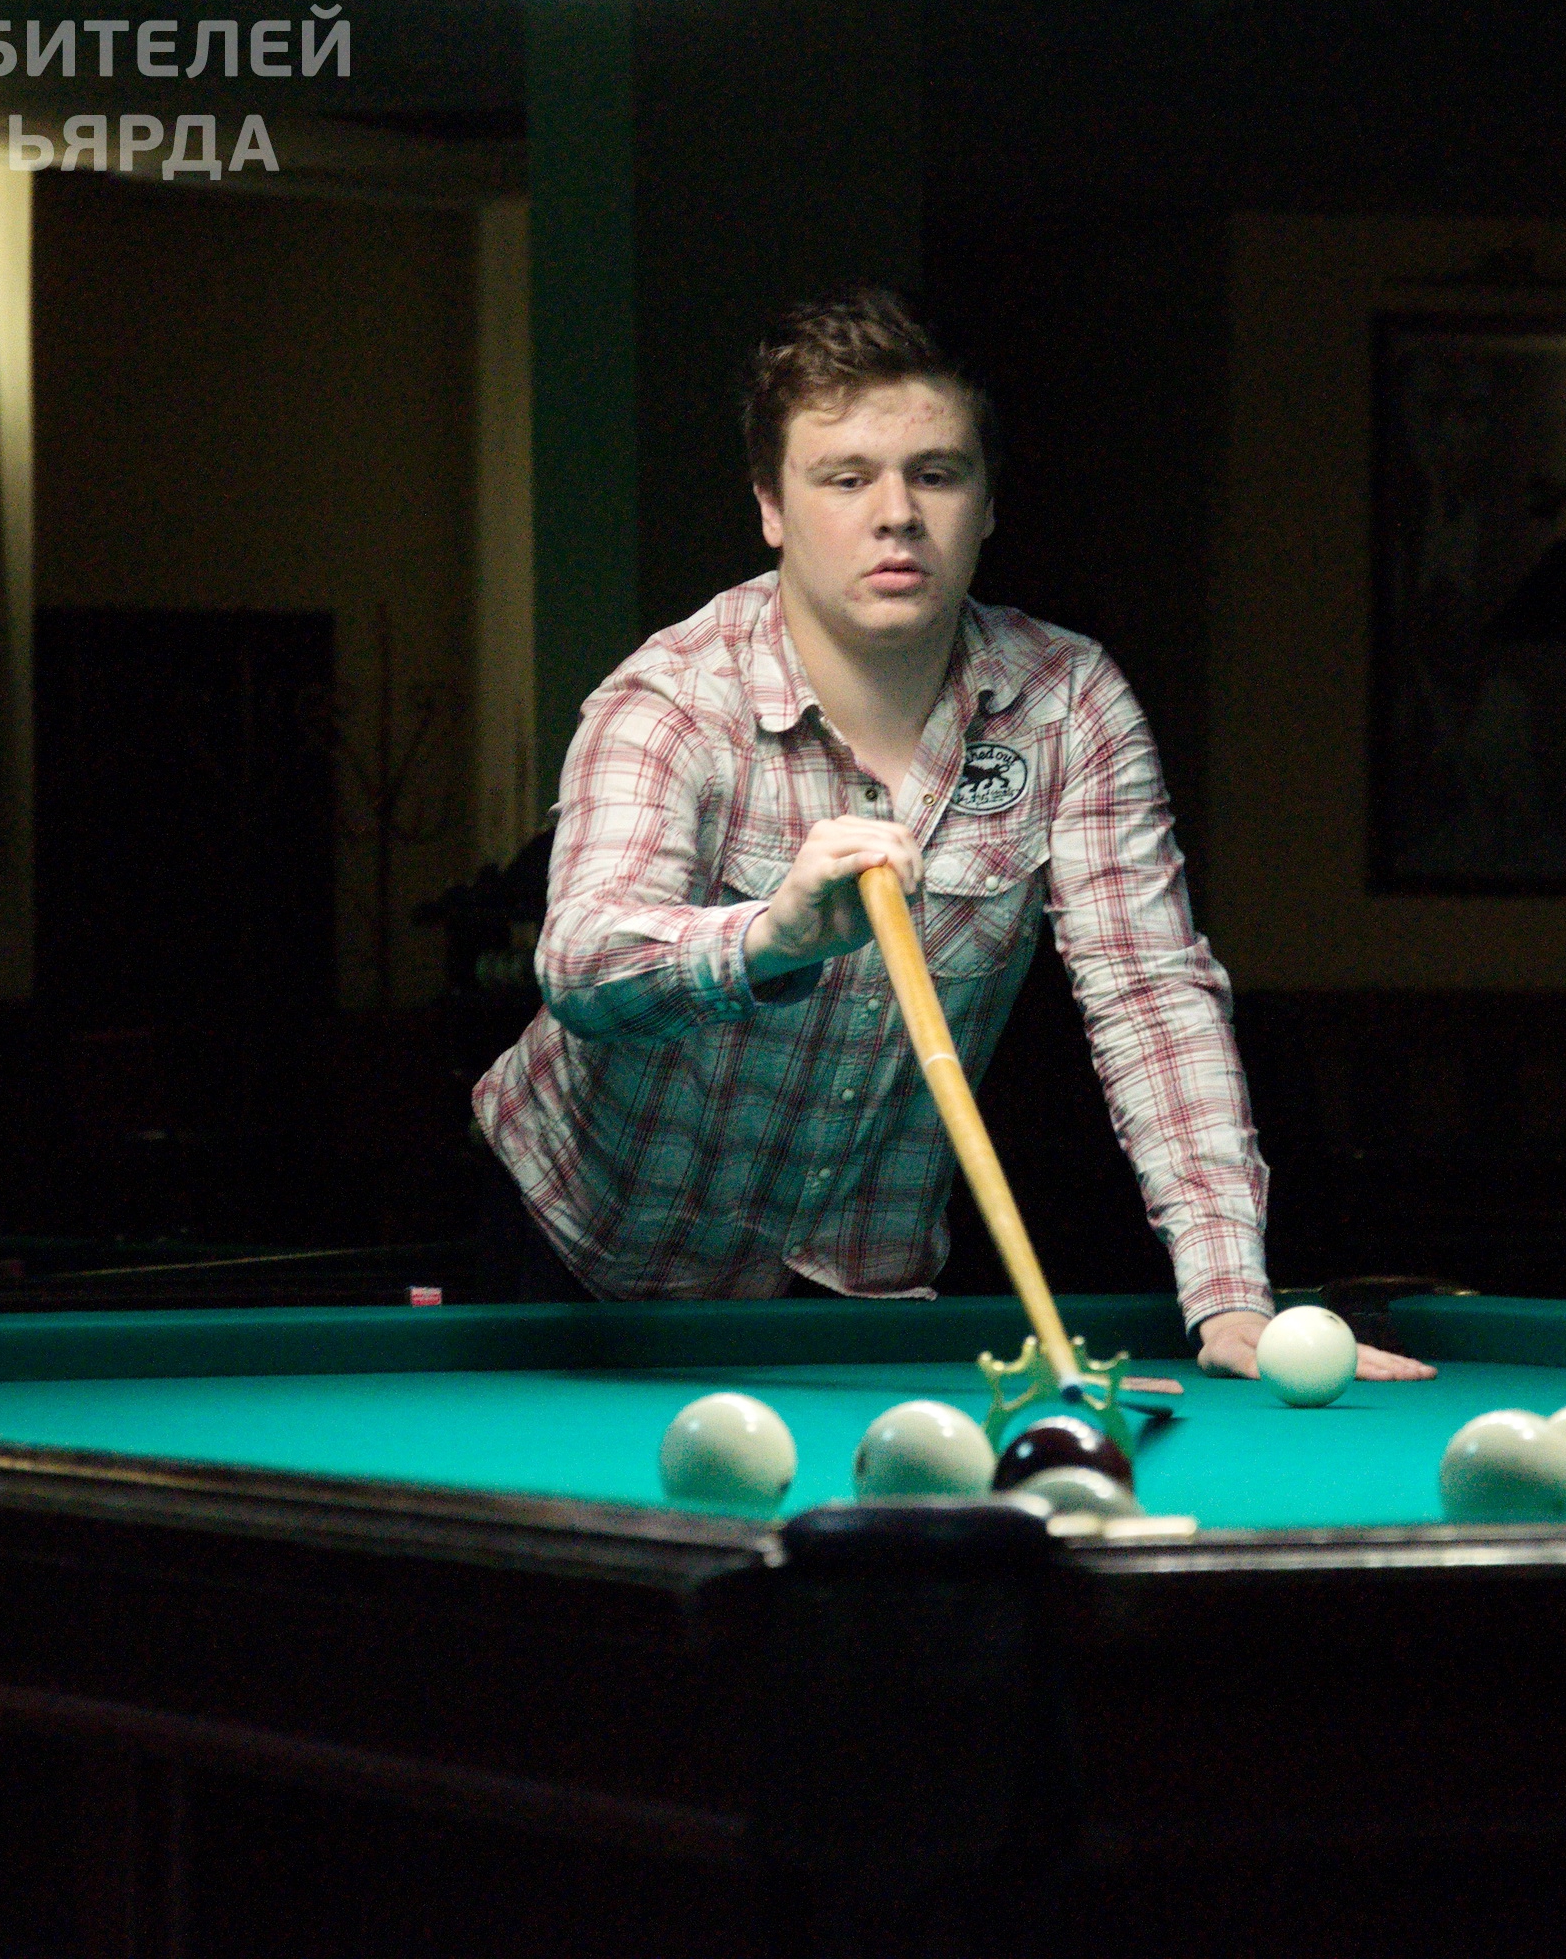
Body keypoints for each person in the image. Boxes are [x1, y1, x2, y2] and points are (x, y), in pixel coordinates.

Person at [474, 287, 1430, 1383]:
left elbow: (1149, 998)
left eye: (935, 474)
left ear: (986, 504)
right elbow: (582, 963)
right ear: (771, 508)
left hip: (854, 1280)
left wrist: (1227, 1297)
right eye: (846, 479)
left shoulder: (1067, 701)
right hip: (585, 1259)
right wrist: (770, 938)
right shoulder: (674, 699)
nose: (897, 514)